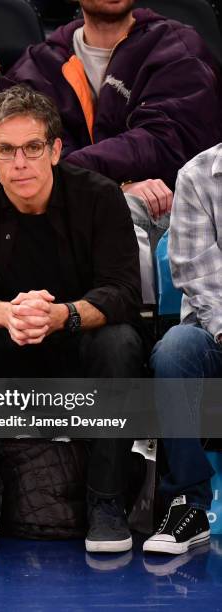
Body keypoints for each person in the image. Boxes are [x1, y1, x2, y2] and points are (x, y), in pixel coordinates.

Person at [0, 85, 145, 553]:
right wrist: (9, 313)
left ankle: (106, 503)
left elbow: (123, 293)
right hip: (3, 341)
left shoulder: (100, 195)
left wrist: (61, 316)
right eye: (6, 150)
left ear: (55, 149)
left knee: (121, 340)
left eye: (32, 148)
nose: (20, 163)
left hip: (75, 339)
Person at [1, 0, 222, 246]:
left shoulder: (177, 48)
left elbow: (166, 141)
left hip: (166, 210)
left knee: (117, 218)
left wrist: (72, 174)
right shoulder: (37, 66)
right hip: (65, 209)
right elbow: (21, 150)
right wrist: (114, 186)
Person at [143, 143, 222, 555]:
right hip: (215, 334)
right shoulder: (197, 174)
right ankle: (188, 504)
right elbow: (196, 272)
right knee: (174, 350)